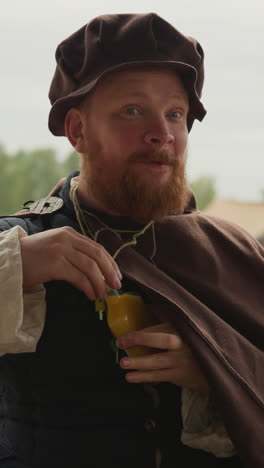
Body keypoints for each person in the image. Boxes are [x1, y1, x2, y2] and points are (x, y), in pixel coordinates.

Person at [0, 13, 263, 468]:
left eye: (175, 114)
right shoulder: (21, 243)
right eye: (132, 110)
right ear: (78, 130)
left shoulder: (234, 253)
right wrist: (14, 263)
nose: (162, 132)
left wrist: (218, 371)